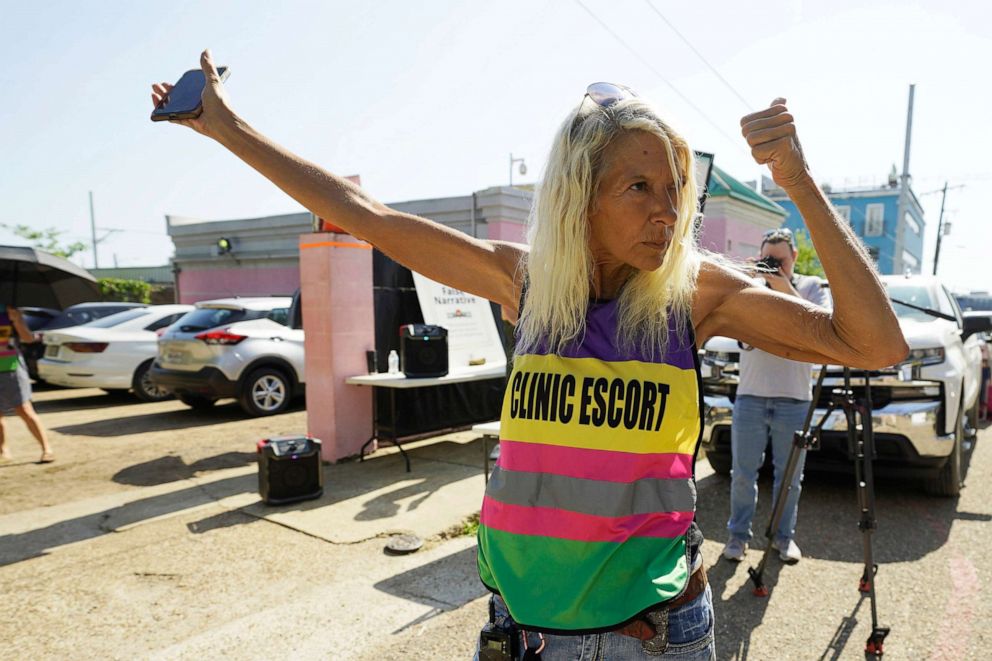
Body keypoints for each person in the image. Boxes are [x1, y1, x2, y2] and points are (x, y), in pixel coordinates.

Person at [152, 52, 907, 660]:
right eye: (639, 186)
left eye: (675, 189)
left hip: (646, 635)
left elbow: (875, 343)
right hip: (526, 630)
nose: (666, 211)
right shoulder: (528, 284)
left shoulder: (693, 293)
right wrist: (225, 125)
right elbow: (364, 216)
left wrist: (799, 183)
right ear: (581, 195)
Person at [721, 229, 826, 566]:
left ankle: (783, 537)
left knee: (790, 479)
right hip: (751, 395)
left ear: (794, 257)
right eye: (767, 259)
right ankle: (737, 537)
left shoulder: (811, 287)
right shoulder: (751, 288)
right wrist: (750, 279)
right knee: (742, 474)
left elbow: (815, 323)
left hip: (794, 399)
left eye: (778, 260)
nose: (772, 267)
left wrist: (779, 283)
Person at [0, 305, 55, 463]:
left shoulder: (8, 311)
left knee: (24, 409)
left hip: (11, 368)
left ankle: (46, 449)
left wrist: (16, 320)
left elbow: (28, 338)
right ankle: (3, 450)